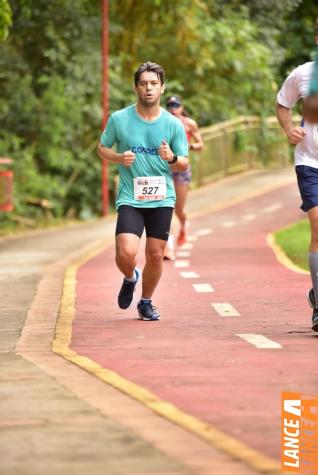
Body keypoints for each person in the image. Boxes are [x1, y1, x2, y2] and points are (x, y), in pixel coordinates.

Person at [97, 62, 189, 321]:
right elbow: (102, 148)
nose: (149, 88)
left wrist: (171, 158)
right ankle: (130, 277)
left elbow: (184, 162)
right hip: (131, 196)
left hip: (162, 198)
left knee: (156, 254)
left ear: (162, 88)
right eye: (143, 83)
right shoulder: (119, 119)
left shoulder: (173, 124)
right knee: (125, 253)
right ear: (136, 87)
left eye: (154, 84)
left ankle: (146, 302)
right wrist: (117, 158)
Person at [276, 19, 318, 331]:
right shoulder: (304, 73)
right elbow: (282, 104)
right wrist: (289, 128)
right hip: (310, 163)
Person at [166, 95, 203, 249]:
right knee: (166, 207)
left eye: (176, 105)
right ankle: (168, 244)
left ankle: (184, 225)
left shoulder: (189, 124)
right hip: (165, 170)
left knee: (178, 208)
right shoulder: (161, 123)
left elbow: (201, 144)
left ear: (181, 108)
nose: (173, 108)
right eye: (170, 106)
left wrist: (191, 147)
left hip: (182, 170)